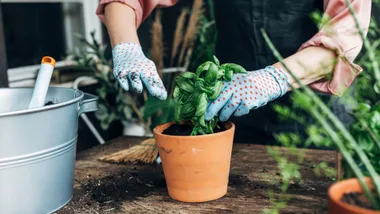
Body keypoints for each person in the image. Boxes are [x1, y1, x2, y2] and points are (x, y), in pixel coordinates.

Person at [96, 0, 371, 144]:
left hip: (315, 121)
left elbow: (344, 40)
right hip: (231, 111)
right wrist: (126, 46)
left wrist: (272, 79)